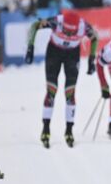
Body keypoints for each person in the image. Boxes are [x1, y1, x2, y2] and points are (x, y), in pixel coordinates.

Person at [25, 12, 99, 148]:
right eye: (66, 31)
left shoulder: (84, 26)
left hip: (72, 55)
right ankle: (46, 128)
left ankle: (69, 130)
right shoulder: (56, 21)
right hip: (54, 53)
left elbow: (95, 38)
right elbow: (35, 25)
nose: (69, 34)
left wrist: (91, 59)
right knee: (51, 91)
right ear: (62, 25)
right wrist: (30, 47)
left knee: (70, 94)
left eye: (72, 32)